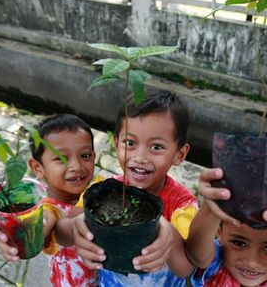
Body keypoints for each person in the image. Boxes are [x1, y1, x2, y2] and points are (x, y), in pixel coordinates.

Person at [56, 89, 198, 286]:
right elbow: (61, 234)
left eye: (156, 147)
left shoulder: (182, 204)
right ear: (116, 143)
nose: (140, 157)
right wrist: (77, 227)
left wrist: (168, 233)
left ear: (180, 155)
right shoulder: (102, 192)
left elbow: (186, 268)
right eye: (130, 143)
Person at [0, 114, 100, 287]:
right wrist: (15, 232)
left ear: (94, 157)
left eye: (85, 156)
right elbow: (45, 221)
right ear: (38, 168)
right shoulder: (47, 207)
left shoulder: (99, 187)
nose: (76, 166)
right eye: (61, 158)